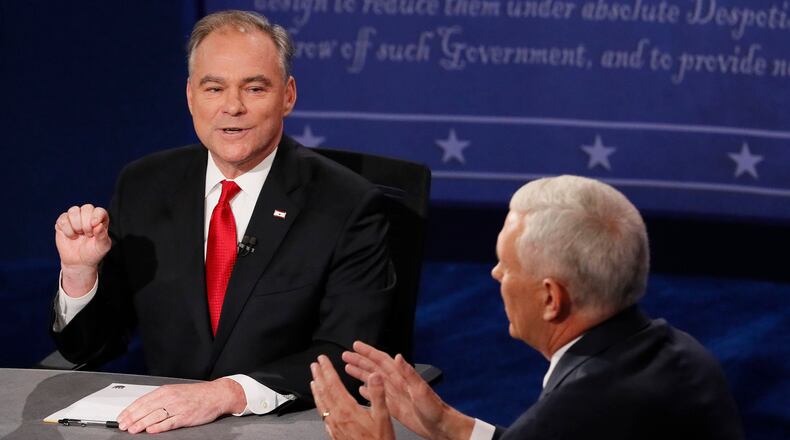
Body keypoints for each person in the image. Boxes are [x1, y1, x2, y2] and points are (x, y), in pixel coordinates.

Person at [50, 10, 394, 434]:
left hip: (289, 425)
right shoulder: (144, 186)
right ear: (191, 96)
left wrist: (227, 394)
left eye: (254, 87)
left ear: (287, 95)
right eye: (215, 88)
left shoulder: (347, 204)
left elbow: (349, 353)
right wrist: (80, 275)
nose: (233, 107)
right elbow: (90, 347)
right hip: (166, 429)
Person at [310, 175, 745, 440]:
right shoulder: (680, 354)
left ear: (551, 298)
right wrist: (447, 424)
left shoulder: (581, 406)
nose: (496, 274)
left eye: (507, 264)